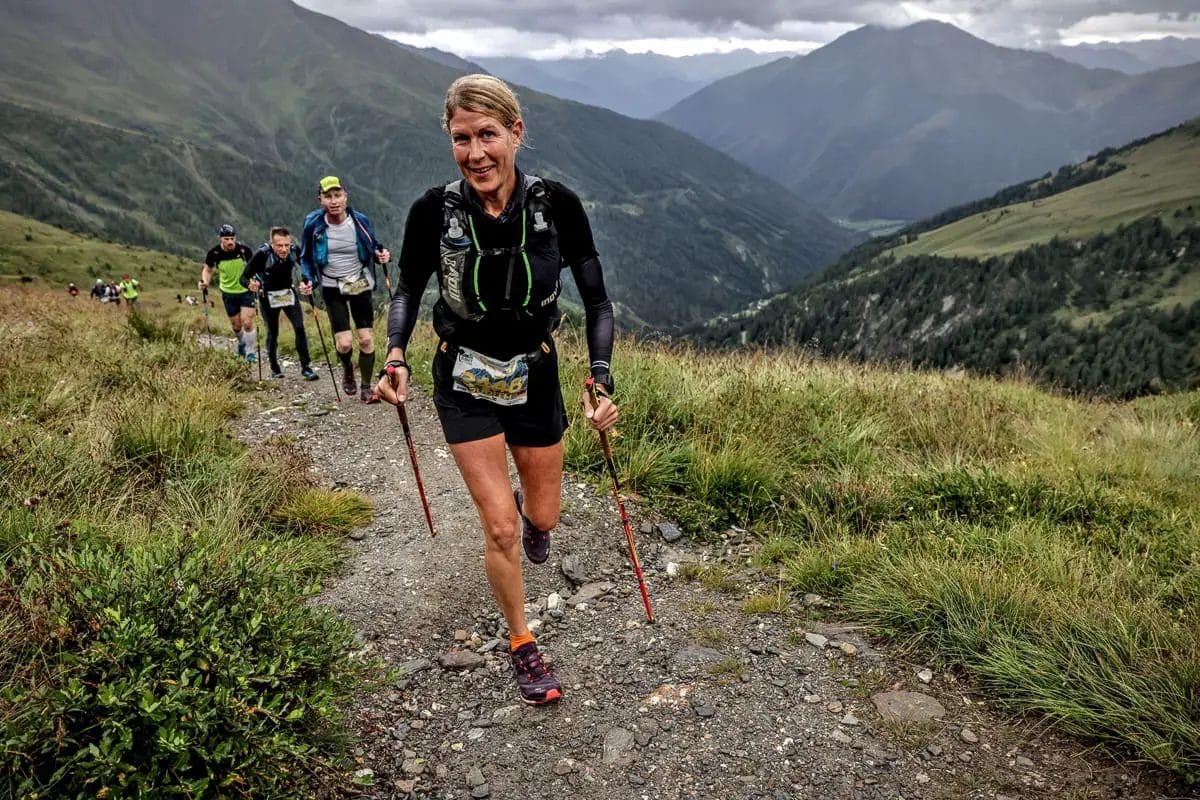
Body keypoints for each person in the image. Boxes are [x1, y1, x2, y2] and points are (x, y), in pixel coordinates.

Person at [377, 74, 618, 706]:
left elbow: (596, 299)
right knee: (503, 528)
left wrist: (601, 374)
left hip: (535, 373)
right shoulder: (434, 211)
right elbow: (406, 290)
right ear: (449, 140)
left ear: (517, 132)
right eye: (462, 138)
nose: (476, 152)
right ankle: (521, 641)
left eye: (488, 134)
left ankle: (531, 519)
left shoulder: (557, 205)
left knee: (543, 517)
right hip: (463, 379)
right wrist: (396, 354)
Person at [298, 176, 390, 402]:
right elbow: (306, 257)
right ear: (320, 200)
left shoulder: (359, 221)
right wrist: (308, 279)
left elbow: (373, 246)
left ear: (346, 196)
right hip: (332, 287)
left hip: (359, 283)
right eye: (328, 196)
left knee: (366, 340)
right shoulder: (313, 224)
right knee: (345, 342)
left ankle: (367, 387)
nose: (334, 201)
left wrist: (381, 255)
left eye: (337, 195)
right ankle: (348, 367)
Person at [241, 226, 320, 381]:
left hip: (287, 293)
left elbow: (310, 272)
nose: (284, 249)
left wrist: (309, 284)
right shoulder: (262, 255)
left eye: (286, 245)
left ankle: (306, 368)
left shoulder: (294, 251)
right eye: (279, 246)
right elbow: (243, 278)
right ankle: (274, 368)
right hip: (268, 295)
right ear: (272, 244)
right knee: (273, 332)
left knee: (299, 328)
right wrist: (251, 285)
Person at [199, 224, 258, 361]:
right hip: (228, 293)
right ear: (221, 239)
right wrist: (205, 282)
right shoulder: (214, 253)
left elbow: (254, 267)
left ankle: (250, 352)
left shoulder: (244, 251)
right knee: (236, 326)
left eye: (232, 238)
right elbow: (207, 269)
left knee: (247, 322)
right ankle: (242, 343)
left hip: (246, 290)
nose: (230, 242)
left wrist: (255, 281)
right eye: (227, 239)